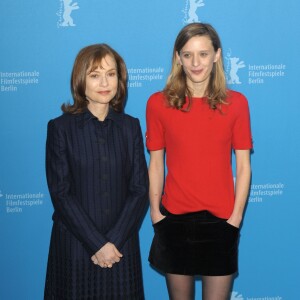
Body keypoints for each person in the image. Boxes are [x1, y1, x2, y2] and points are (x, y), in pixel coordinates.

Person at [146, 23, 252, 300]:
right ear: (178, 57)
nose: (196, 63)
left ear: (216, 55)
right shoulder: (157, 104)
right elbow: (156, 163)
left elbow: (243, 167)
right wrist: (156, 214)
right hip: (173, 222)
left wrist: (236, 218)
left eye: (203, 54)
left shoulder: (236, 103)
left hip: (221, 223)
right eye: (188, 54)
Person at [44, 44, 149, 299]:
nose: (104, 82)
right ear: (81, 80)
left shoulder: (130, 127)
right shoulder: (60, 128)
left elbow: (139, 190)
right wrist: (97, 244)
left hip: (120, 246)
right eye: (95, 75)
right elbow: (61, 193)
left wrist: (112, 243)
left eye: (111, 74)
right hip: (75, 246)